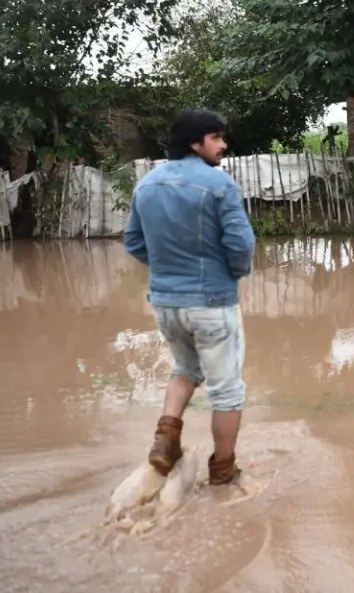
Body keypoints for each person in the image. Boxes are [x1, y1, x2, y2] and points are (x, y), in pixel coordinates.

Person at [124, 109, 257, 485]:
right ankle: (223, 470)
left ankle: (166, 443)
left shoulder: (146, 184)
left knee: (184, 370)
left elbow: (134, 242)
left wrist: (166, 269)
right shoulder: (219, 185)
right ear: (195, 143)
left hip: (165, 302)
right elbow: (241, 244)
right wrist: (232, 273)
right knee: (227, 391)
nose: (223, 145)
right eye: (216, 138)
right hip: (212, 301)